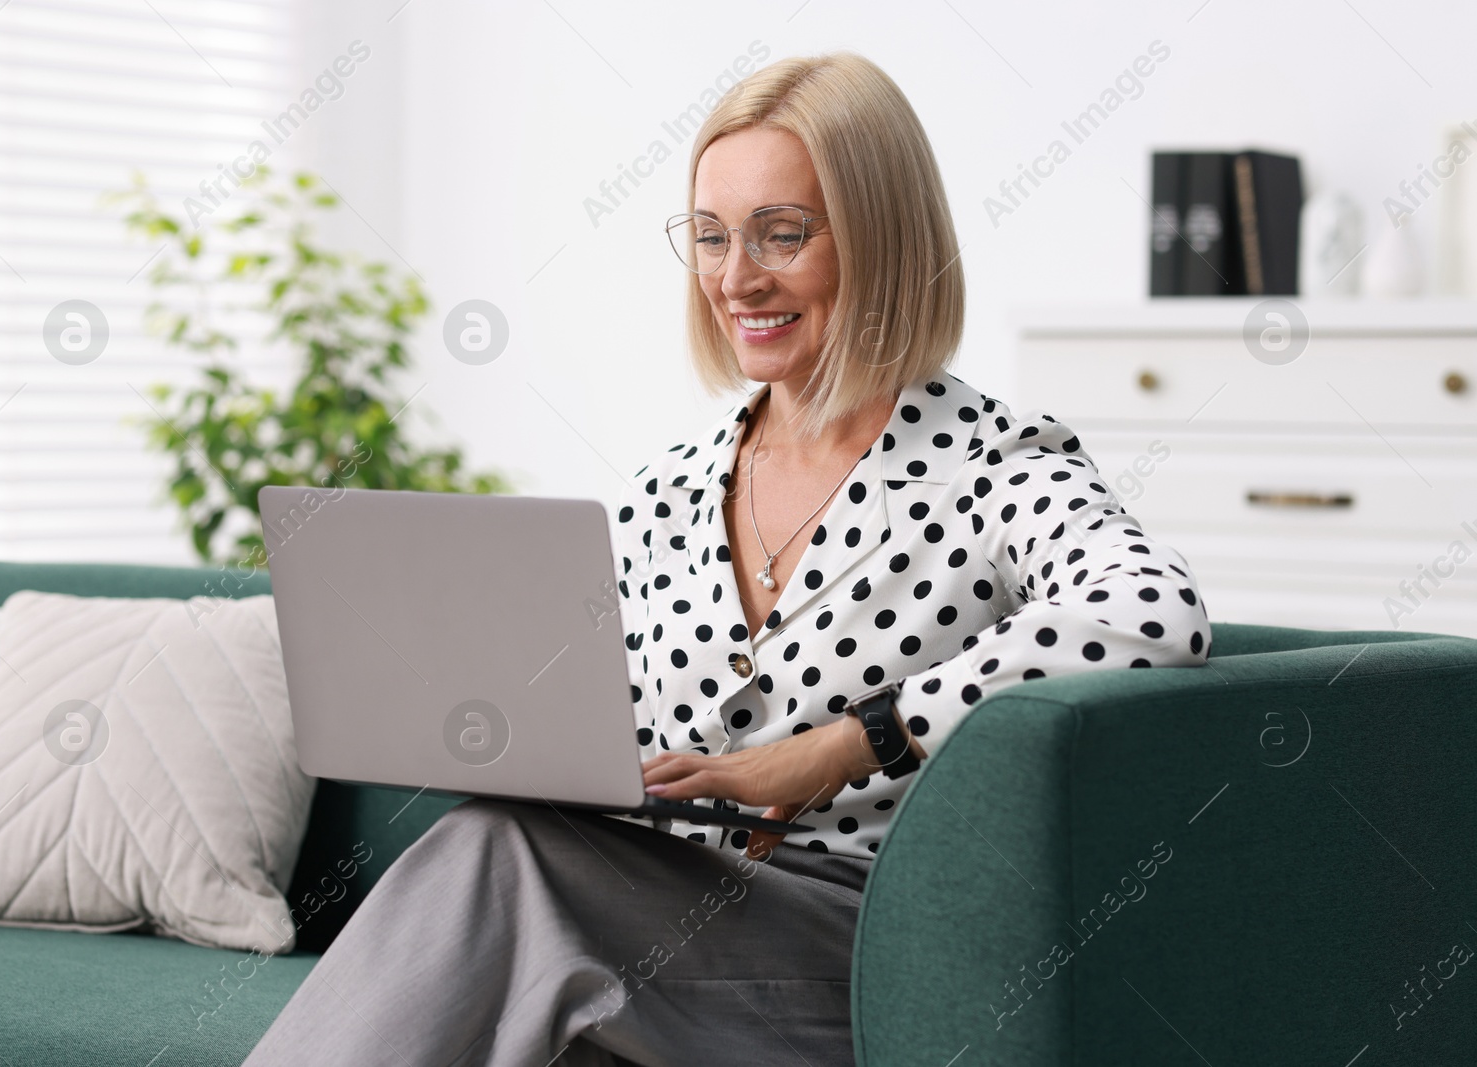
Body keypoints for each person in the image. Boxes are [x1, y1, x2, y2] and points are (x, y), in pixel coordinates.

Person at [242, 51, 1212, 1067]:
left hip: (864, 944)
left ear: (880, 239)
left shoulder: (990, 462)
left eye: (781, 234)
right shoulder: (666, 491)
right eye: (710, 237)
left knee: (501, 868)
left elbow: (1152, 613)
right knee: (509, 876)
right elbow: (617, 735)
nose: (736, 276)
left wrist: (854, 740)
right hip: (655, 932)